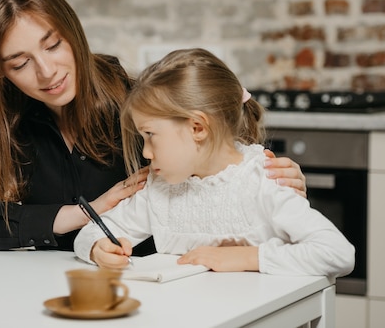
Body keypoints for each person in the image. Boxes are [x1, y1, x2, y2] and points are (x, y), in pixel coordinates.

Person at [0, 0, 308, 252]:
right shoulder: (10, 126)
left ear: (72, 31)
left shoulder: (141, 106)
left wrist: (271, 185)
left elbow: (227, 180)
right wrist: (84, 213)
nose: (47, 71)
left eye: (53, 45)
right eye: (20, 63)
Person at [74, 48, 355, 278]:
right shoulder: (159, 190)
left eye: (150, 135)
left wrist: (245, 256)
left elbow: (338, 253)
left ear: (197, 128)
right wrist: (99, 248)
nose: (145, 152)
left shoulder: (263, 181)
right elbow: (91, 232)